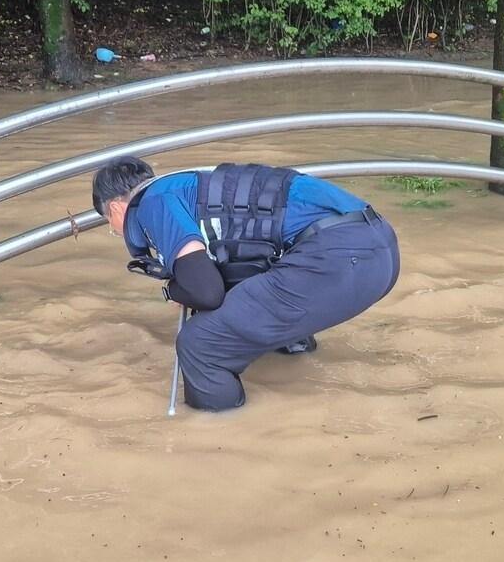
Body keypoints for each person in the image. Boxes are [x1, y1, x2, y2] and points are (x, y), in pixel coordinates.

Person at [92, 156, 400, 411]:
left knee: (200, 343)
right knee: (247, 303)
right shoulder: (191, 185)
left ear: (116, 210)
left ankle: (215, 440)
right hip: (379, 248)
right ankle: (296, 356)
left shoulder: (152, 203)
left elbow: (205, 291)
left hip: (339, 258)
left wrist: (172, 289)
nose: (117, 232)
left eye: (110, 225)